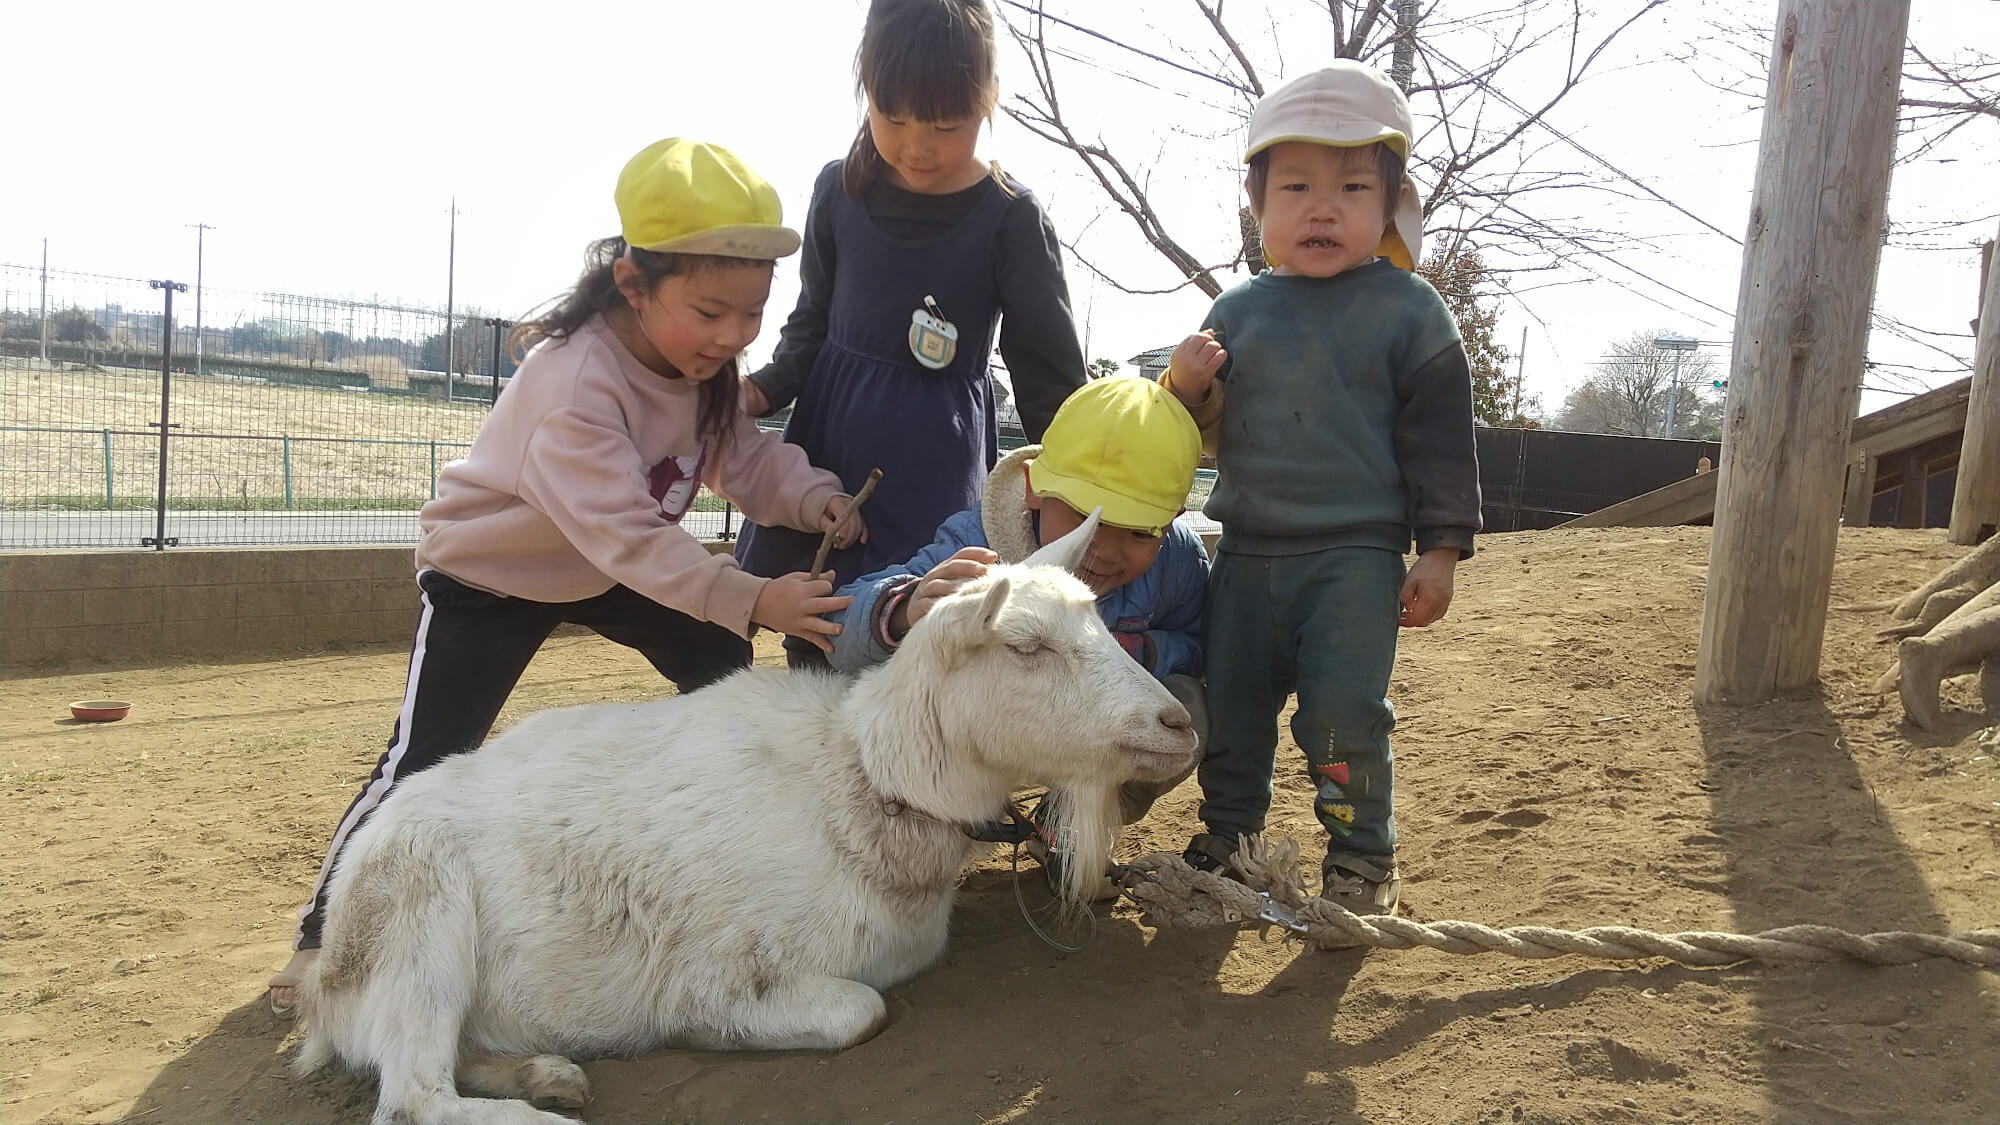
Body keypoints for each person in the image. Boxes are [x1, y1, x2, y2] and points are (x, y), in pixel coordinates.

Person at [266, 138, 865, 1015]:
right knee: (426, 755)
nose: (733, 337)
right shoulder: (574, 385)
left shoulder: (705, 369)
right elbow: (632, 538)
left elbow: (741, 458)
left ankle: (734, 858)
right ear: (633, 283)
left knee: (726, 680)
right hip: (493, 577)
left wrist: (812, 499)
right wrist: (753, 597)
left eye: (751, 316)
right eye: (710, 312)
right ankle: (323, 935)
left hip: (607, 567)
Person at [1157, 62, 1482, 922]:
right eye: (1296, 185)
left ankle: (1360, 858)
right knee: (1231, 712)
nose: (1323, 206)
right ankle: (1230, 837)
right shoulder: (1236, 312)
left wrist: (1440, 551)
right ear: (1258, 205)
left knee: (1342, 715)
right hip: (1248, 555)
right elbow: (1181, 435)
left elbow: (1443, 441)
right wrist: (1182, 386)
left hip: (1354, 559)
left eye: (1351, 186)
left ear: (1390, 203)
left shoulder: (1412, 312)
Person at [733, 0, 1089, 671]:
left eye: (944, 124)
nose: (916, 145)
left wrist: (1072, 477)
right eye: (892, 117)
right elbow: (809, 324)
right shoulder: (838, 192)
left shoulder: (1010, 218)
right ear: (866, 91)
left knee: (924, 636)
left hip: (935, 462)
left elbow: (1050, 376)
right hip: (832, 444)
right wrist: (762, 388)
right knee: (819, 624)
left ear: (986, 102)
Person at [826, 376, 1209, 883]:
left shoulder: (1176, 560)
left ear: (1172, 521)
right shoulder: (976, 547)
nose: (1106, 548)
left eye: (1140, 531)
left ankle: (1060, 832)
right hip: (995, 736)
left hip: (1084, 723)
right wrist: (907, 608)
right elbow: (838, 622)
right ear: (1033, 488)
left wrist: (1144, 651)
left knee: (1191, 710)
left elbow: (1202, 641)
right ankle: (940, 829)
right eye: (1082, 517)